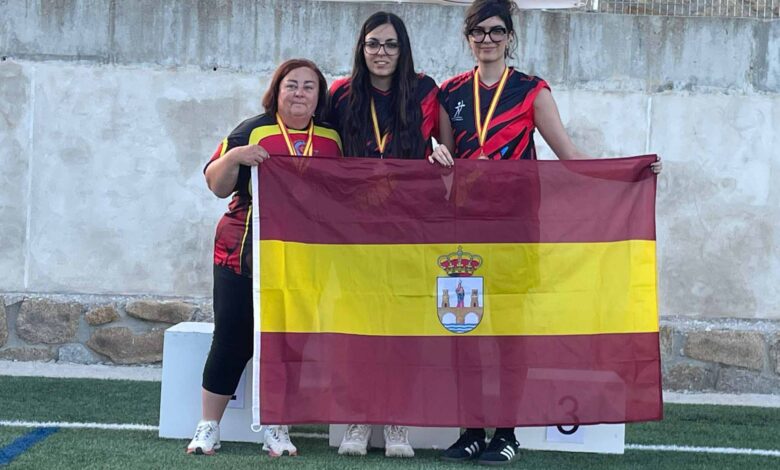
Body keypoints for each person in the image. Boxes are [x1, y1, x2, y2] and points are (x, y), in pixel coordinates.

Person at [429, 0, 662, 465]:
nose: (488, 40)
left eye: (497, 32)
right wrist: (438, 165)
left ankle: (507, 433)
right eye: (479, 32)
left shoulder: (532, 91)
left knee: (509, 336)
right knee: (465, 332)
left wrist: (627, 173)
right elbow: (445, 169)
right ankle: (472, 429)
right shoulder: (449, 93)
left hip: (515, 231)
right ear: (467, 37)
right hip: (463, 235)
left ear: (510, 37)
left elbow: (570, 156)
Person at [186, 58, 342, 458]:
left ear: (319, 96)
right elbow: (215, 184)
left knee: (287, 342)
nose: (300, 94)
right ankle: (208, 428)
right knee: (232, 338)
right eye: (292, 85)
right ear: (278, 90)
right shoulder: (254, 129)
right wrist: (236, 158)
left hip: (302, 258)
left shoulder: (332, 138)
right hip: (243, 251)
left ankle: (276, 427)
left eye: (309, 87)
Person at [328, 11, 441, 458]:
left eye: (391, 44)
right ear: (361, 47)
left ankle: (396, 422)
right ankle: (358, 419)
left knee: (401, 329)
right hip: (353, 234)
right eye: (373, 43)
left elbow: (447, 148)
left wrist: (442, 157)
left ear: (404, 48)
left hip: (408, 231)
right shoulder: (339, 94)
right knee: (358, 328)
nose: (381, 52)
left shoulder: (426, 91)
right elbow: (311, 140)